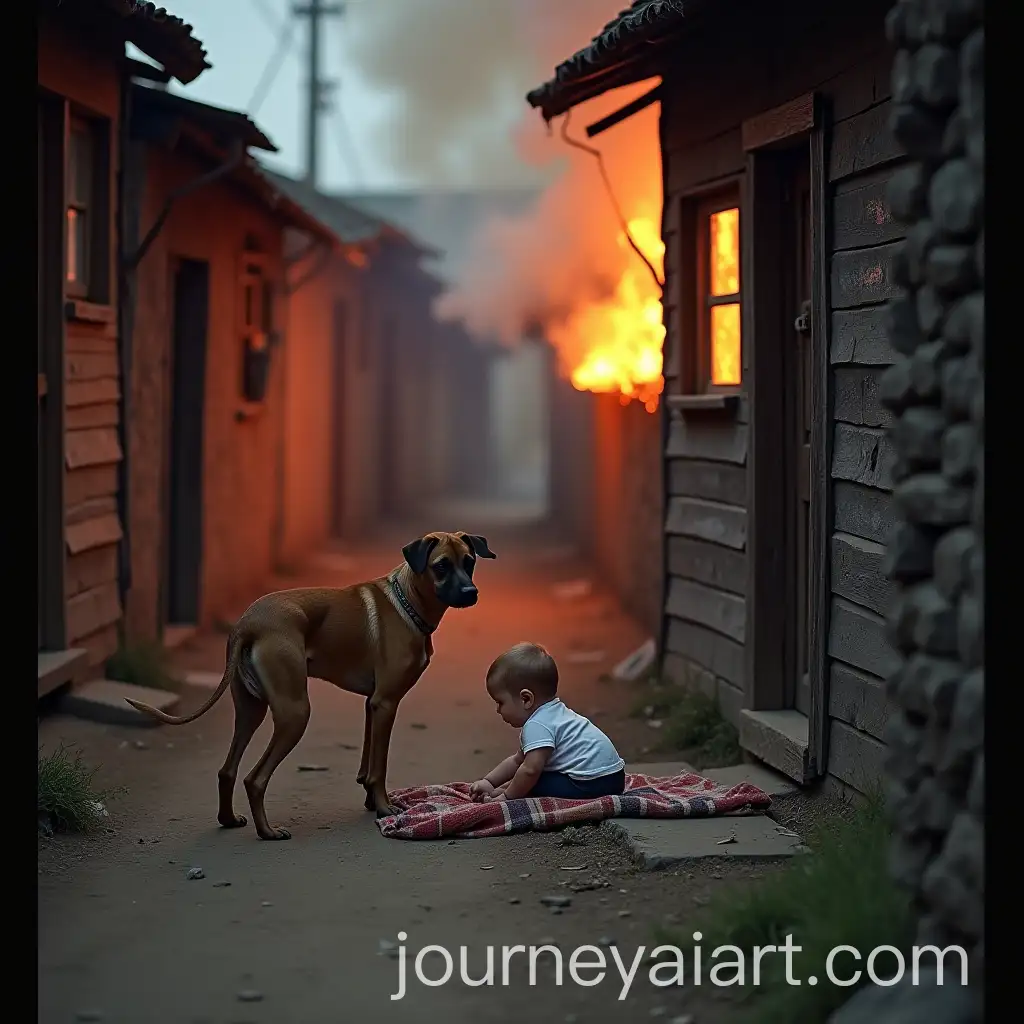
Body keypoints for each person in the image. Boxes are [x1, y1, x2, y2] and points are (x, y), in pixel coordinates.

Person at [470, 642, 626, 802]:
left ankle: (505, 793)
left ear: (526, 699)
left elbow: (530, 770)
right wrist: (489, 781)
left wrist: (506, 797)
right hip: (613, 777)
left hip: (593, 782)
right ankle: (500, 790)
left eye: (500, 702)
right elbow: (517, 760)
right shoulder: (554, 714)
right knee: (531, 774)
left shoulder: (537, 725)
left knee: (533, 779)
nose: (498, 710)